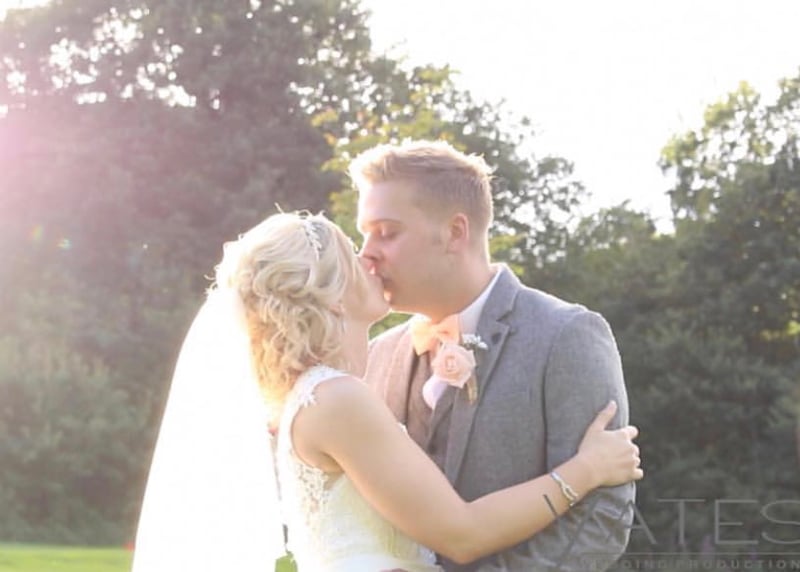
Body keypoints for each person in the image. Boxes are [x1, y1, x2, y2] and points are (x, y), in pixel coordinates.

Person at [131, 212, 642, 572]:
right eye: (353, 256)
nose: (370, 260)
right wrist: (586, 470)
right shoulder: (336, 400)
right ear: (332, 295)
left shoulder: (320, 396)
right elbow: (463, 534)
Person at [352, 140, 637, 571]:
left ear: (455, 232)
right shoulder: (376, 355)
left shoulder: (567, 335)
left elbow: (601, 520)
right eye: (365, 234)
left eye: (387, 232)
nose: (366, 253)